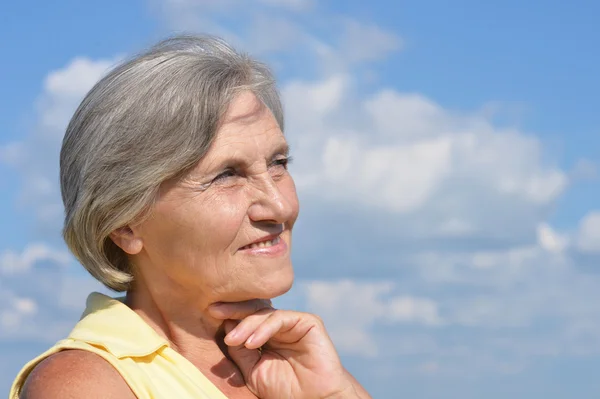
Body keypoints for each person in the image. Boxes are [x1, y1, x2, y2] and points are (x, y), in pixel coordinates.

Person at [9, 35, 371, 399]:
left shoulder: (295, 366)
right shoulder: (86, 385)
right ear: (124, 222)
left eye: (278, 163)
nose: (280, 206)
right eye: (227, 174)